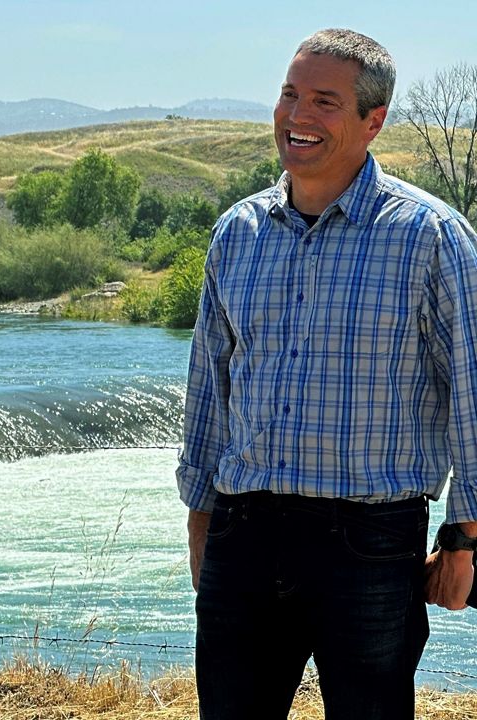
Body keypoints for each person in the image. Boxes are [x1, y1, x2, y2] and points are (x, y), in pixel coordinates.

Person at [178, 28, 477, 719]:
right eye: (289, 95)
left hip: (369, 546)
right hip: (242, 537)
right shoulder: (237, 233)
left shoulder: (430, 236)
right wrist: (202, 527)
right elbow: (208, 397)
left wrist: (464, 540)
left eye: (324, 101)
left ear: (374, 121)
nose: (296, 116)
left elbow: (473, 395)